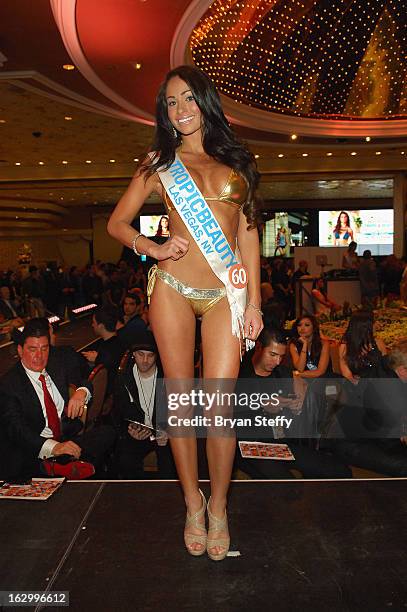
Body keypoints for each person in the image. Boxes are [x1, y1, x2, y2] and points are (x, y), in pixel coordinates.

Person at [107, 64, 263, 560]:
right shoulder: (159, 163)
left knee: (218, 408)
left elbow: (249, 237)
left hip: (224, 295)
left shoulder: (238, 161)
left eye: (189, 98)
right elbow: (116, 223)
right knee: (179, 405)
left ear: (206, 102)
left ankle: (219, 505)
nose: (181, 110)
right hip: (171, 288)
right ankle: (191, 502)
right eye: (171, 102)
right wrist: (149, 247)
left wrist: (254, 302)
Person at [0, 318, 115, 481]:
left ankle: (63, 465)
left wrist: (81, 392)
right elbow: (18, 431)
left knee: (108, 432)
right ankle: (62, 464)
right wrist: (56, 448)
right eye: (32, 349)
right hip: (36, 446)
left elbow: (86, 379)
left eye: (44, 349)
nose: (39, 356)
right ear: (20, 350)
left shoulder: (58, 363)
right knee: (22, 458)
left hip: (66, 434)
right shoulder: (9, 385)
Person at [236, 328, 351, 479]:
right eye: (272, 354)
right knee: (287, 485)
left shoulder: (282, 374)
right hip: (250, 446)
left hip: (282, 443)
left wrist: (297, 405)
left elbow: (297, 402)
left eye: (281, 356)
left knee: (338, 470)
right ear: (259, 347)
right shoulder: (239, 373)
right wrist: (261, 405)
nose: (277, 361)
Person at [329, 339, 407, 476]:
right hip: (352, 444)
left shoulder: (386, 364)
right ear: (402, 370)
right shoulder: (388, 392)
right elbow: (389, 442)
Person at [113, 330, 176, 479]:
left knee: (169, 465)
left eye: (150, 355)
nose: (145, 360)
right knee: (124, 461)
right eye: (141, 354)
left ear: (157, 356)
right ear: (133, 354)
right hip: (138, 435)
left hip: (166, 435)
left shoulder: (168, 377)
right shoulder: (123, 379)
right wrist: (129, 431)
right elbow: (117, 414)